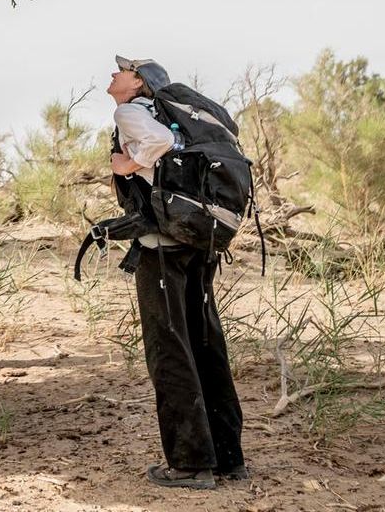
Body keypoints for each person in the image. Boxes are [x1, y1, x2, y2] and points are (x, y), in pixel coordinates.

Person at [108, 54, 247, 490]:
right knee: (206, 346)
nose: (114, 73)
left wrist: (126, 165)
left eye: (123, 69)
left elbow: (158, 147)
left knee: (169, 350)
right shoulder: (182, 119)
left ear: (139, 83)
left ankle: (189, 463)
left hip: (163, 250)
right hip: (200, 245)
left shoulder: (130, 111)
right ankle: (229, 458)